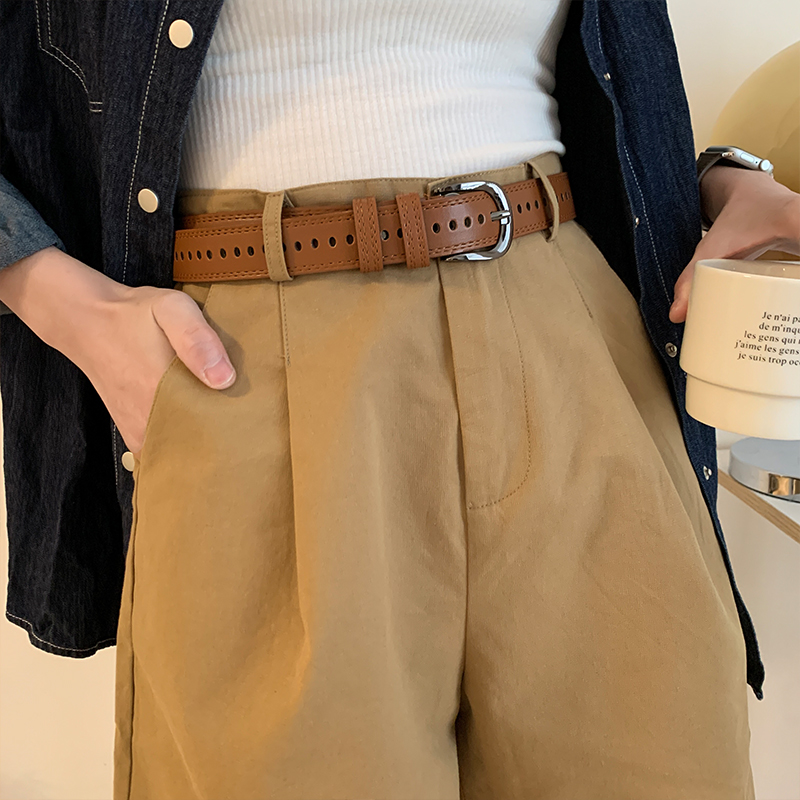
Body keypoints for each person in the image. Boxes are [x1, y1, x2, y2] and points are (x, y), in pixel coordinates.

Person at [0, 1, 798, 797]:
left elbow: (601, 89)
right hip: (252, 358)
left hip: (576, 338)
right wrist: (63, 301)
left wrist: (724, 177)